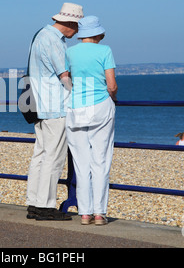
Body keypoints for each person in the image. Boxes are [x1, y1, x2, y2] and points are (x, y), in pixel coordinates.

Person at [26, 2, 84, 221]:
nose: (77, 32)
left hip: (39, 104)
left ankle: (34, 202)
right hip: (55, 105)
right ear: (69, 23)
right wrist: (79, 94)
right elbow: (64, 75)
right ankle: (45, 206)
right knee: (54, 156)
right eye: (76, 27)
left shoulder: (40, 35)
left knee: (40, 155)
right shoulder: (54, 41)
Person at [64, 16, 117, 225]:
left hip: (76, 108)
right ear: (97, 33)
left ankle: (84, 213)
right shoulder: (105, 51)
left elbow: (67, 80)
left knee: (81, 162)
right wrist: (113, 97)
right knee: (100, 161)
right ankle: (99, 213)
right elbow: (111, 85)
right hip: (101, 107)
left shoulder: (70, 52)